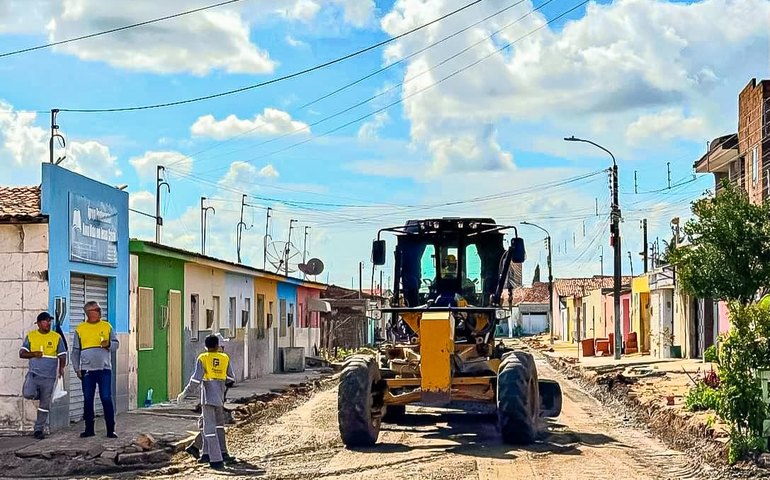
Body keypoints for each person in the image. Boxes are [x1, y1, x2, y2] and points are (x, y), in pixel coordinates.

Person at [177, 334, 235, 470]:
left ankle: (216, 460)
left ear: (206, 346)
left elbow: (196, 380)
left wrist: (185, 392)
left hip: (208, 398)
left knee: (209, 429)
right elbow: (231, 379)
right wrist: (221, 382)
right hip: (220, 398)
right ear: (217, 346)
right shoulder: (225, 358)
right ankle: (209, 454)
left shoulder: (202, 358)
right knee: (218, 426)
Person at [72, 301, 119, 438]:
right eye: (97, 309)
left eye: (99, 309)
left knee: (106, 398)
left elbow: (116, 344)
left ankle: (111, 429)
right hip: (87, 370)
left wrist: (109, 344)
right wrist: (77, 368)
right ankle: (89, 429)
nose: (100, 311)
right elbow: (76, 351)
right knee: (88, 399)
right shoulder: (80, 329)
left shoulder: (106, 326)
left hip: (104, 369)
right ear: (89, 312)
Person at [20, 312, 67, 439]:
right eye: (46, 321)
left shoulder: (56, 337)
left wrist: (61, 368)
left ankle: (39, 429)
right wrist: (34, 354)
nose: (49, 323)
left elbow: (62, 354)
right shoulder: (31, 336)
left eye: (50, 321)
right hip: (34, 375)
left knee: (44, 405)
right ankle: (40, 394)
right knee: (28, 393)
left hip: (49, 377)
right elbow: (22, 353)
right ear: (39, 323)